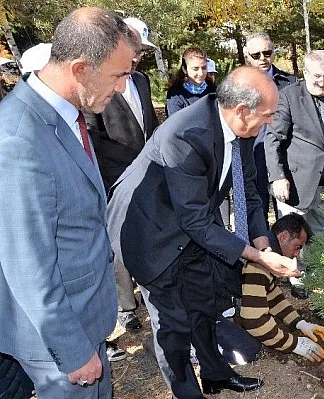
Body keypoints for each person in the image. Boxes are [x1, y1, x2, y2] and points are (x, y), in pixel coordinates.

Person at [107, 67, 300, 397]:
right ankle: (188, 393)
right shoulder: (185, 135)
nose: (269, 122)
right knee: (173, 327)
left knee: (202, 305)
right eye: (266, 115)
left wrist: (263, 244)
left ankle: (215, 375)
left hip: (190, 224)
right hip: (149, 233)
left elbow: (250, 194)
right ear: (241, 110)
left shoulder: (242, 130)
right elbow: (194, 221)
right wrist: (254, 257)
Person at [0, 7, 139, 397]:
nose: (123, 87)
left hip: (86, 318)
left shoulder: (64, 114)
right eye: (119, 75)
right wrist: (74, 352)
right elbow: (27, 265)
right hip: (59, 344)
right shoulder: (18, 138)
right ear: (80, 69)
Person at [85, 17, 160, 334]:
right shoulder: (99, 83)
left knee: (149, 236)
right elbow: (92, 137)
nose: (138, 56)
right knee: (119, 242)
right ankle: (126, 307)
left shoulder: (141, 81)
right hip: (115, 179)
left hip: (149, 175)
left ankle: (151, 292)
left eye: (142, 51)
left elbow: (151, 126)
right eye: (135, 49)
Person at [266, 50, 324, 236]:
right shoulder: (288, 96)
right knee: (292, 244)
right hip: (296, 186)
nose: (322, 82)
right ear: (305, 73)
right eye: (317, 76)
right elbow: (273, 139)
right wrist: (277, 177)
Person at [239, 214, 324, 362]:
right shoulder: (258, 263)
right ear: (283, 237)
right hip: (210, 312)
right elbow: (254, 321)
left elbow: (272, 297)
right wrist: (295, 344)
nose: (296, 255)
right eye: (297, 247)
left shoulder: (267, 250)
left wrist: (300, 323)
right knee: (250, 351)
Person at [244, 32, 296, 224]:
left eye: (267, 53)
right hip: (252, 156)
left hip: (285, 158)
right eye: (256, 55)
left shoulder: (290, 82)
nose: (263, 59)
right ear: (247, 56)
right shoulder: (238, 85)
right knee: (256, 216)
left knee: (289, 220)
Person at [165, 46, 215, 117]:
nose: (201, 73)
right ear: (184, 69)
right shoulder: (176, 94)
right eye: (195, 69)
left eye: (204, 68)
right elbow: (176, 123)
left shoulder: (214, 90)